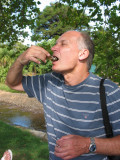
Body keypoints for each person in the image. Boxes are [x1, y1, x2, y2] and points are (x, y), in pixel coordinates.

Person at [6, 31, 120, 160]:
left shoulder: (108, 91)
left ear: (82, 54)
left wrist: (88, 144)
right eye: (55, 44)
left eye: (63, 44)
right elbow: (12, 83)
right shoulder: (48, 82)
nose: (53, 48)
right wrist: (21, 61)